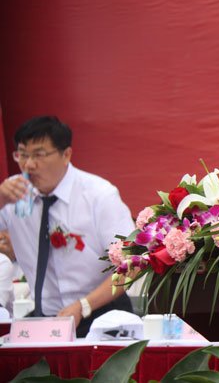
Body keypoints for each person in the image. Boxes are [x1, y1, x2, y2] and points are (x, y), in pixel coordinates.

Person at [0, 116, 134, 336]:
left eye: (39, 155)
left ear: (66, 155)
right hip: (48, 318)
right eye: (22, 155)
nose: (29, 164)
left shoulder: (99, 195)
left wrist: (84, 305)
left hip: (102, 314)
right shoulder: (13, 194)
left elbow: (132, 264)